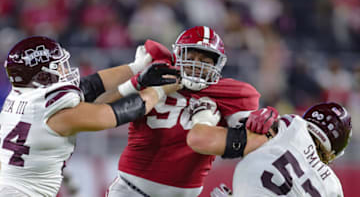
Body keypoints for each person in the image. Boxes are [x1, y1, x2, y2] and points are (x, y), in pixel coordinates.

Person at [0, 36, 181, 197]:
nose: (66, 71)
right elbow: (110, 114)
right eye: (59, 67)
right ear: (42, 76)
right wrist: (159, 90)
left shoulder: (21, 97)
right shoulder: (54, 113)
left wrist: (136, 70)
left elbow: (89, 86)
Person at [101, 26, 262, 197]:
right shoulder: (156, 76)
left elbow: (250, 145)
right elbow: (99, 109)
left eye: (205, 62)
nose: (196, 65)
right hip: (131, 190)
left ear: (217, 65)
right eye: (191, 57)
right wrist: (136, 82)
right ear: (177, 56)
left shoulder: (229, 94)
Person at [189, 101, 352, 197]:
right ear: (334, 150)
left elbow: (202, 139)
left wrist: (203, 115)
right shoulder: (334, 186)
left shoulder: (291, 126)